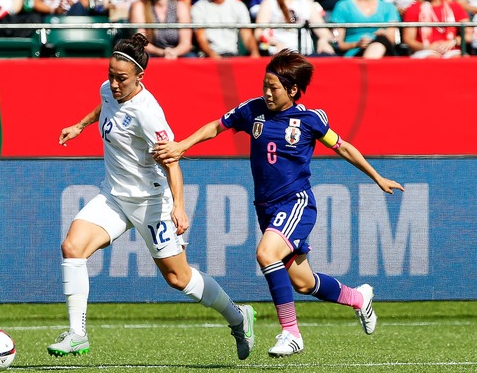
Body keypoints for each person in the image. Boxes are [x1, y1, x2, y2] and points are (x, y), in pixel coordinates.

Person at [153, 48, 404, 357]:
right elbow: (216, 126)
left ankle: (291, 332)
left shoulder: (309, 120)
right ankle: (358, 297)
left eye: (273, 87)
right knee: (303, 282)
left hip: (296, 203)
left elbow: (343, 147)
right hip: (267, 208)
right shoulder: (253, 110)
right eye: (265, 85)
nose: (267, 93)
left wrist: (376, 176)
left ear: (293, 89)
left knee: (265, 253)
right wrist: (182, 146)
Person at [47, 33, 256, 361]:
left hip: (152, 203)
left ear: (140, 77)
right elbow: (103, 105)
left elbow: (171, 160)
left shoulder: (148, 113)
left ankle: (238, 316)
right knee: (72, 247)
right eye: (110, 76)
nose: (114, 84)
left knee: (179, 279)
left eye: (122, 79)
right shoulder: (108, 91)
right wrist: (80, 125)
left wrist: (180, 209)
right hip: (114, 197)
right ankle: (77, 334)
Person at [254, 0, 337, 56]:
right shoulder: (269, 2)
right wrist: (275, 43)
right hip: (280, 57)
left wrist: (323, 40)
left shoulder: (305, 3)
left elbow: (324, 32)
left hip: (305, 54)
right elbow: (258, 33)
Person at [329, 0, 401, 58]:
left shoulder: (389, 7)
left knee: (381, 39)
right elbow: (337, 43)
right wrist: (356, 44)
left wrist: (384, 34)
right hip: (355, 55)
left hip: (384, 51)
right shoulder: (342, 6)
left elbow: (392, 39)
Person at [191, 0, 261, 57]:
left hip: (233, 55)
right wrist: (214, 56)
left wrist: (254, 52)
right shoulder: (198, 8)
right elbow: (201, 39)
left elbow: (247, 35)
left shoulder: (238, 5)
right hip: (209, 58)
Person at [402, 0, 471, 58]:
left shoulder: (454, 6)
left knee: (461, 59)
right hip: (424, 50)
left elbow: (469, 35)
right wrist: (428, 47)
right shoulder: (414, 8)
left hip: (451, 50)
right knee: (433, 58)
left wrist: (453, 41)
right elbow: (409, 40)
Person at [129, 0, 194, 58]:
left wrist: (174, 52)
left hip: (176, 53)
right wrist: (161, 52)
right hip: (149, 53)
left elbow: (186, 43)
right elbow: (139, 40)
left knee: (192, 58)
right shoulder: (139, 6)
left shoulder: (180, 6)